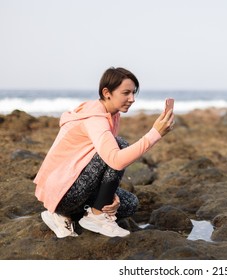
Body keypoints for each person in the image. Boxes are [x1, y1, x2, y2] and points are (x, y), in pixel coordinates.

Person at [34, 67, 174, 238]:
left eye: (133, 93)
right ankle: (88, 216)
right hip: (63, 192)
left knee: (130, 204)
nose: (132, 99)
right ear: (107, 92)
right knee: (120, 144)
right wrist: (155, 134)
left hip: (77, 183)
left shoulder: (112, 115)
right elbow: (115, 160)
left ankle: (74, 215)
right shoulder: (95, 118)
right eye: (126, 93)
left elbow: (103, 164)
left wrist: (109, 194)